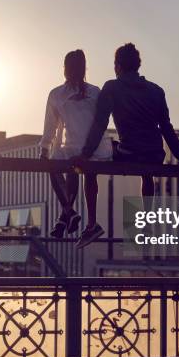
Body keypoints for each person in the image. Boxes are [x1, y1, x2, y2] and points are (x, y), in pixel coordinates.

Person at [74, 43, 179, 248]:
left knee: (90, 166)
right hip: (154, 153)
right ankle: (147, 221)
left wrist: (85, 153)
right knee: (148, 173)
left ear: (118, 66)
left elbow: (100, 124)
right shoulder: (156, 90)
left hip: (129, 153)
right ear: (138, 65)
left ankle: (92, 224)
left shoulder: (112, 87)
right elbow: (166, 128)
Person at [40, 50, 112, 243]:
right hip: (95, 148)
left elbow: (50, 126)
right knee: (87, 173)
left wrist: (44, 148)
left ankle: (68, 212)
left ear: (64, 69)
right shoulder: (95, 91)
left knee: (56, 166)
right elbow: (101, 121)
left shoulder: (56, 94)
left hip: (72, 147)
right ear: (84, 69)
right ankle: (82, 220)